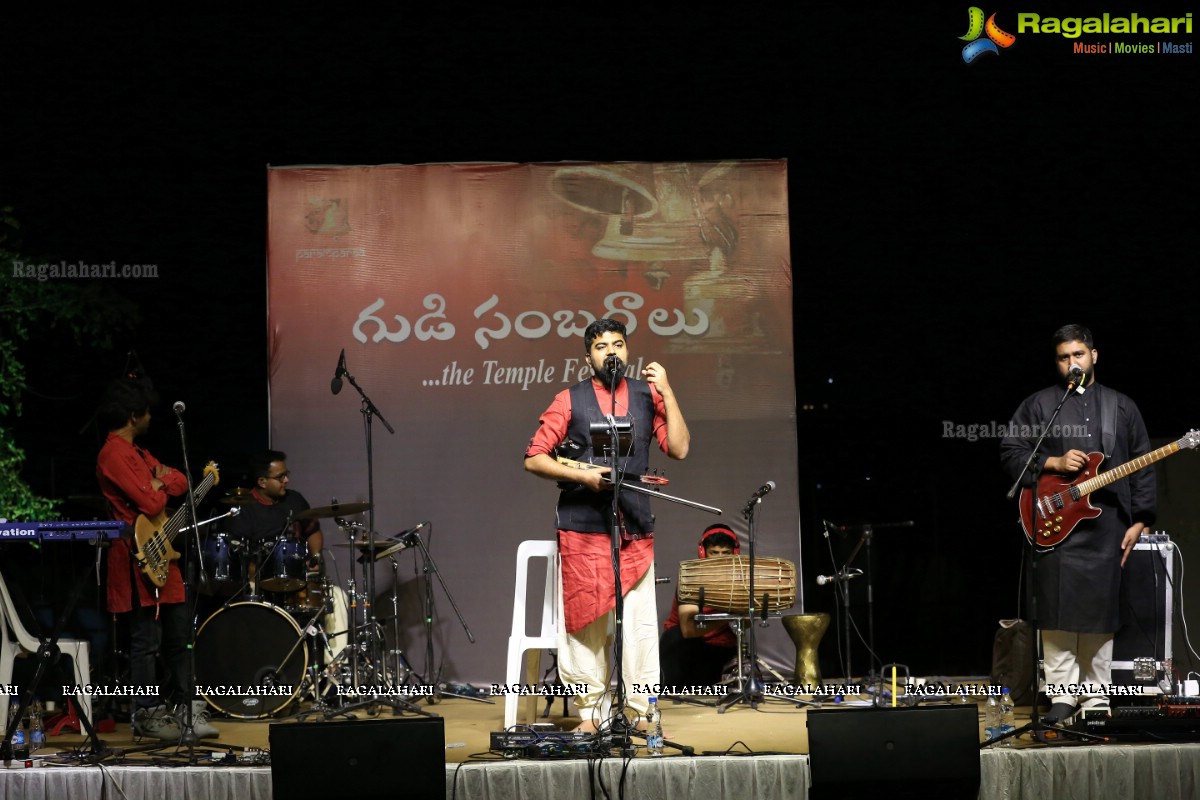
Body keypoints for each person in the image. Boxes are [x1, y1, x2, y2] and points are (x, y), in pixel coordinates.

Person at [524, 317, 690, 732]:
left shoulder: (648, 394)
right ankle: (591, 714)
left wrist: (667, 390)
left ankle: (642, 712)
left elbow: (680, 448)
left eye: (618, 344)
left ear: (628, 351)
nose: (611, 352)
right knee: (584, 625)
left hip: (633, 527)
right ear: (588, 356)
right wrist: (584, 477)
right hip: (582, 529)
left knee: (640, 628)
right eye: (602, 346)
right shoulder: (569, 398)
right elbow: (534, 457)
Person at [1000, 324, 1156, 726]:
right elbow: (1011, 452)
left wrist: (1141, 519)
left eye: (1079, 355)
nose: (1072, 363)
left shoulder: (1120, 406)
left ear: (1094, 355)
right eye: (1064, 357)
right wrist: (1051, 462)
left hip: (1107, 526)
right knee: (1054, 612)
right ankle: (1062, 698)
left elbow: (1143, 463)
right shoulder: (1039, 405)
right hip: (1054, 522)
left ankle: (1096, 697)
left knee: (1100, 615)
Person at [95, 377, 218, 740]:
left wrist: (158, 481)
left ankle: (187, 710)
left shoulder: (140, 453)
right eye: (147, 412)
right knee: (145, 642)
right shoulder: (113, 454)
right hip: (135, 557)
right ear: (135, 415)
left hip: (163, 550)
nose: (151, 417)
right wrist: (157, 485)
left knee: (180, 637)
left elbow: (179, 481)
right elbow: (149, 504)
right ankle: (147, 714)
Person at [659, 524, 740, 686]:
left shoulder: (740, 581)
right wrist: (730, 617)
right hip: (688, 647)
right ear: (703, 553)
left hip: (719, 649)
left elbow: (747, 623)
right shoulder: (690, 579)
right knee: (674, 637)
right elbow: (688, 630)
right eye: (714, 553)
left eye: (725, 553)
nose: (719, 558)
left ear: (734, 554)